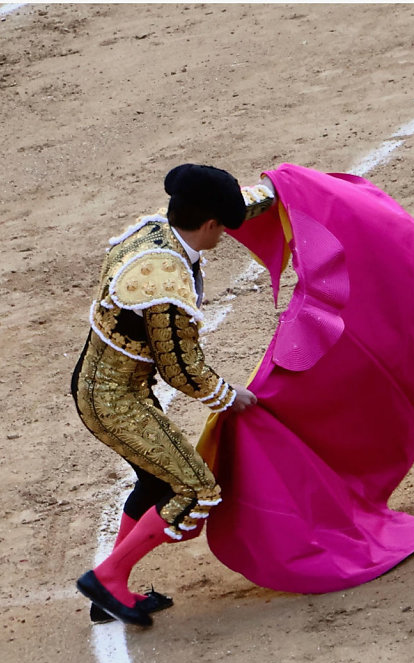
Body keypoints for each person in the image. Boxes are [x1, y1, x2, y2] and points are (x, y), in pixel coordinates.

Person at [71, 164, 273, 627]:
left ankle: (108, 588)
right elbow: (179, 368)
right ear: (208, 224)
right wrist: (229, 397)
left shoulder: (158, 229)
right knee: (196, 489)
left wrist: (279, 193)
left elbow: (230, 198)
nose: (222, 235)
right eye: (222, 227)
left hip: (112, 384)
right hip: (113, 400)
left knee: (156, 482)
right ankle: (108, 579)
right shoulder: (163, 282)